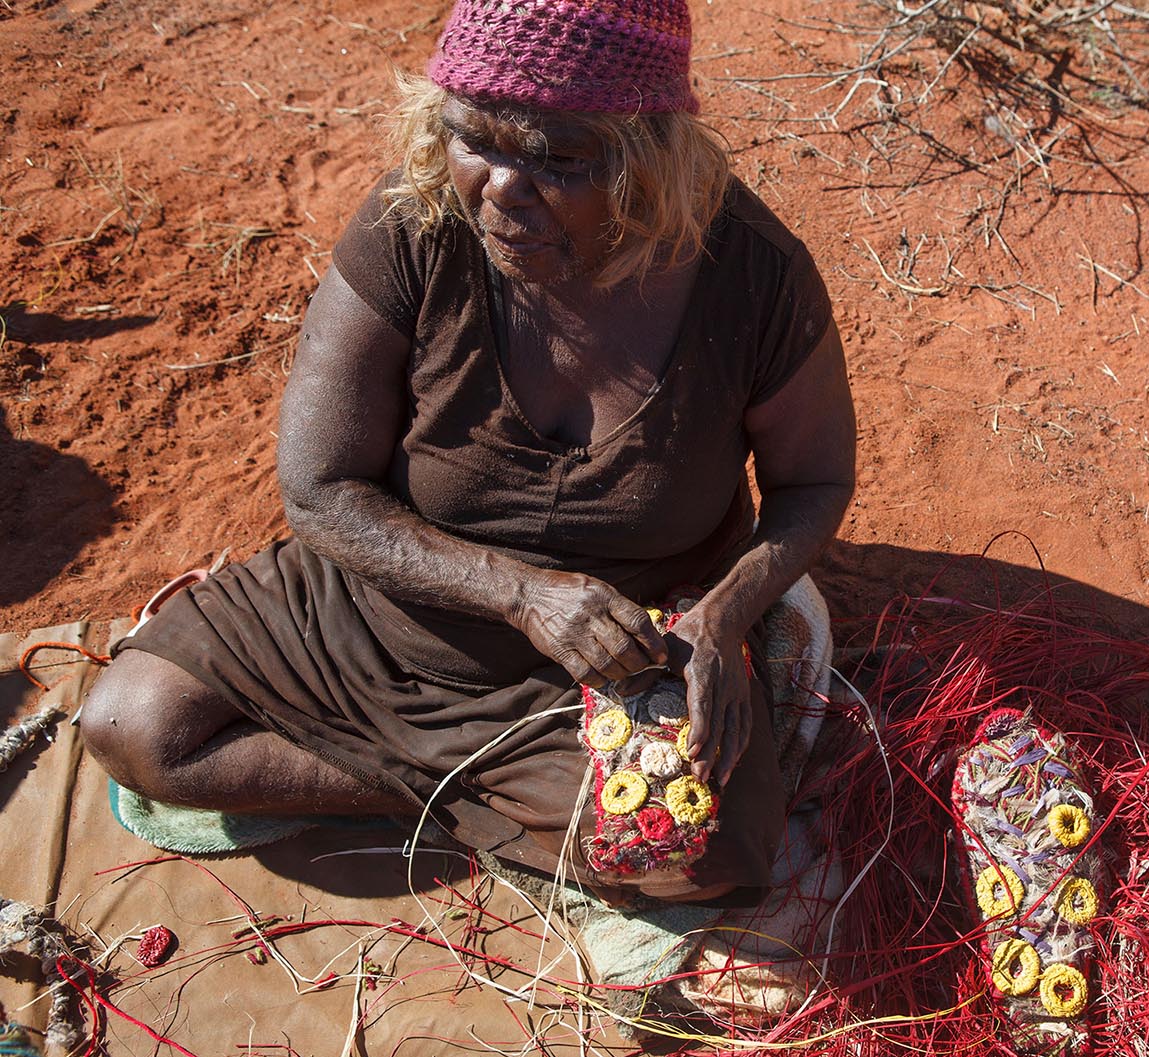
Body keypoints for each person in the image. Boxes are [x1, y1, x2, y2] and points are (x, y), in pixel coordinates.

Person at [79, 0, 855, 905]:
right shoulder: (415, 223)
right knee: (134, 728)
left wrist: (725, 615)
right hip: (393, 594)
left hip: (617, 655)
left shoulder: (753, 276)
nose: (501, 187)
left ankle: (482, 789)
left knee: (705, 855)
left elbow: (813, 481)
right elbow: (322, 488)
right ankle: (474, 799)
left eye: (560, 159)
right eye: (473, 140)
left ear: (651, 157)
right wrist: (519, 592)